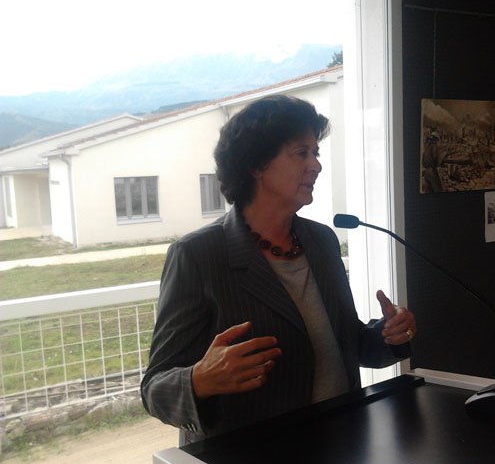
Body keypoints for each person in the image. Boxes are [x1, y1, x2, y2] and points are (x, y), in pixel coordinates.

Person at [140, 95, 417, 445]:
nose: (316, 165)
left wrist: (389, 335)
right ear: (257, 164)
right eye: (302, 153)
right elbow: (155, 388)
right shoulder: (198, 255)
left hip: (342, 442)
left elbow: (347, 344)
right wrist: (199, 379)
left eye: (316, 153)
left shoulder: (321, 241)